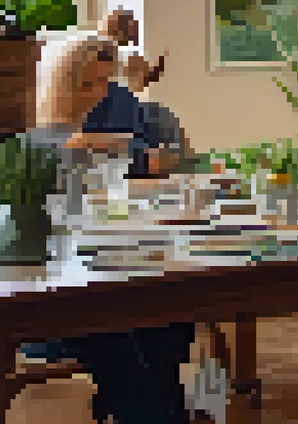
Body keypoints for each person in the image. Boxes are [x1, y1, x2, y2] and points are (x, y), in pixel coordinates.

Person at [23, 36, 196, 424]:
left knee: (172, 309)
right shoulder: (38, 144)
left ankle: (162, 408)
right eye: (86, 84)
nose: (98, 94)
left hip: (105, 268)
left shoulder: (111, 123)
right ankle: (149, 413)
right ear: (59, 85)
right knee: (109, 321)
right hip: (51, 293)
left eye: (103, 82)